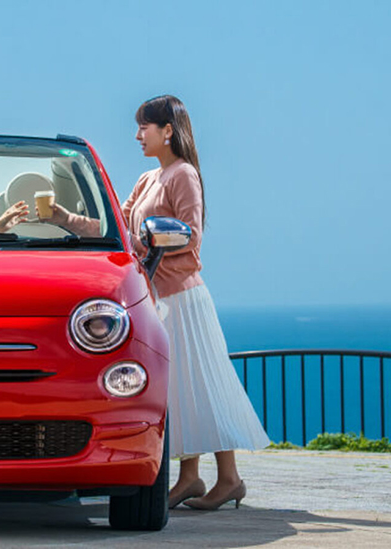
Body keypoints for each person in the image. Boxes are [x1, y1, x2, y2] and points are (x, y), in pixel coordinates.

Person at [46, 95, 270, 511]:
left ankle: (229, 479)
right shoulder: (149, 179)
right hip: (158, 297)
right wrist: (63, 218)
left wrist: (148, 239)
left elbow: (191, 235)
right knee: (182, 387)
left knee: (200, 384)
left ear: (168, 130)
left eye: (144, 127)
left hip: (182, 297)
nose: (137, 135)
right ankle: (191, 478)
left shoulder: (183, 175)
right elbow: (115, 228)